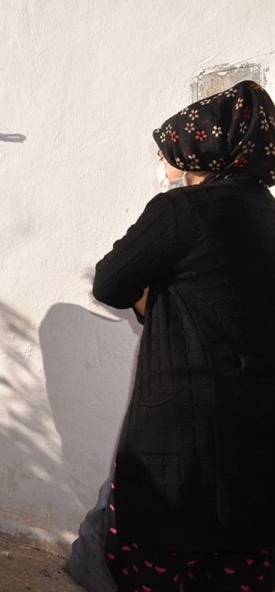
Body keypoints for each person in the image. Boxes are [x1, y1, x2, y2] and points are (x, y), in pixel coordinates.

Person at [92, 80, 275, 592]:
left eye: (170, 146)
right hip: (257, 420)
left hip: (188, 421)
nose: (163, 157)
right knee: (238, 557)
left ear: (202, 148)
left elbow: (110, 282)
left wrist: (150, 291)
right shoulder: (268, 213)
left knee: (167, 552)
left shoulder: (180, 210)